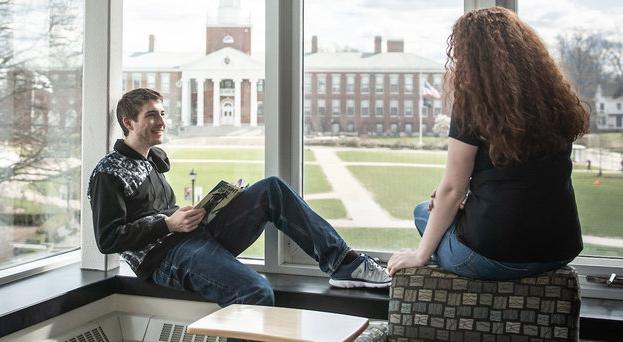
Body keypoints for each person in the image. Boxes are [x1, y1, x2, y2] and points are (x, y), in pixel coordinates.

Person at [88, 88, 390, 308]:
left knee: (271, 189)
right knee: (256, 292)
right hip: (165, 259)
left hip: (190, 236)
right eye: (151, 115)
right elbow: (109, 239)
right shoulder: (108, 171)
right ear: (128, 122)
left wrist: (201, 211)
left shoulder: (152, 158)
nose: (162, 121)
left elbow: (158, 212)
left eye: (163, 113)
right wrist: (168, 224)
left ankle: (344, 263)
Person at [387, 7, 589, 280]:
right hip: (560, 248)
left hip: (496, 256)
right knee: (443, 207)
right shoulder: (552, 99)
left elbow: (452, 189)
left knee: (424, 211)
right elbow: (524, 178)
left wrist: (419, 255)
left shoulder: (474, 103)